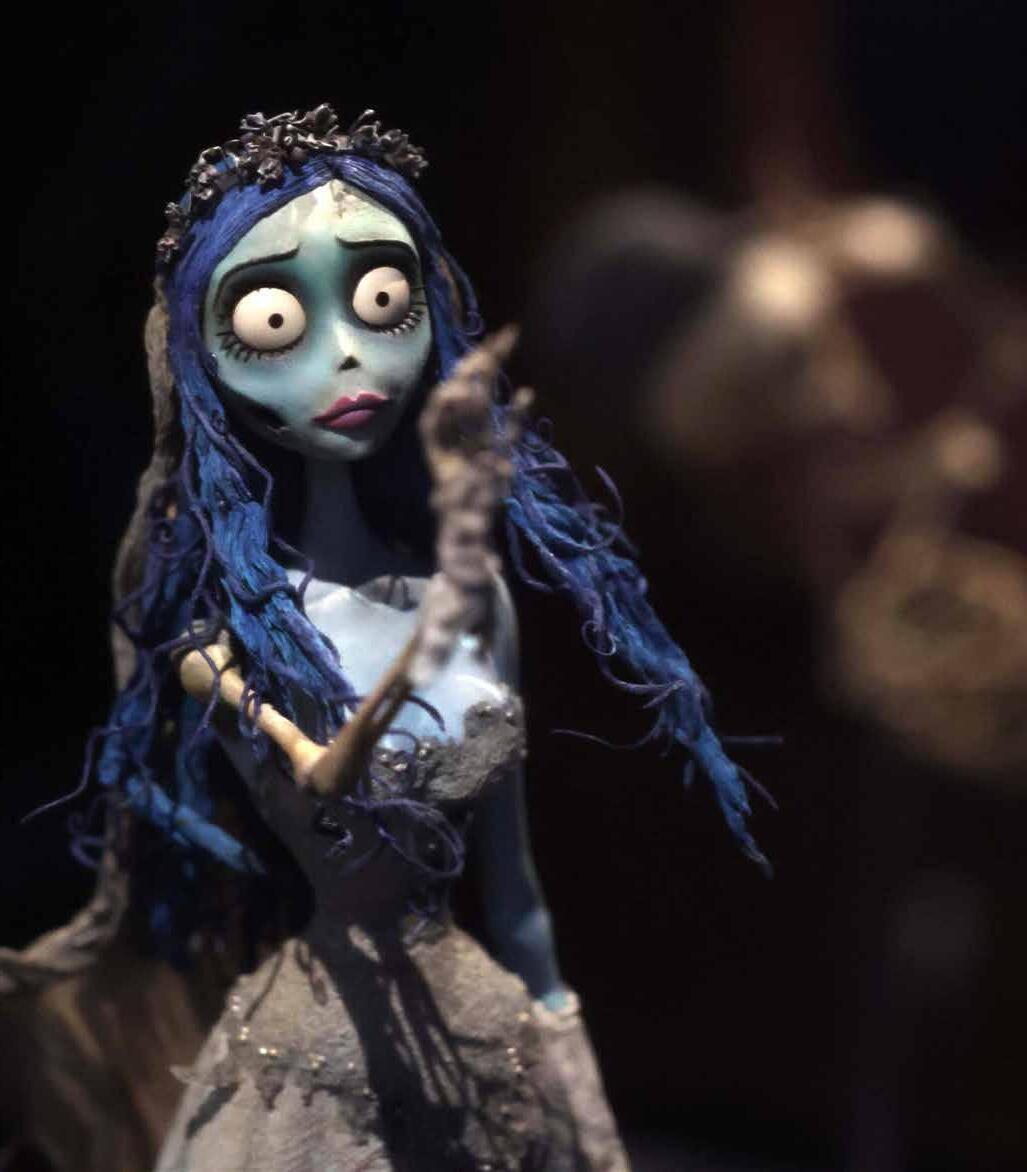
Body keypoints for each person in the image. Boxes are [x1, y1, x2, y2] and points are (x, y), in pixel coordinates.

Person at [4, 106, 765, 1171]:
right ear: (204, 358)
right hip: (320, 1058)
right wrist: (429, 633)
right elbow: (329, 777)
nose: (349, 352)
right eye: (274, 318)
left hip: (475, 1030)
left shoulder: (477, 604)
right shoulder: (224, 646)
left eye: (379, 299)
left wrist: (576, 1089)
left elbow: (517, 894)